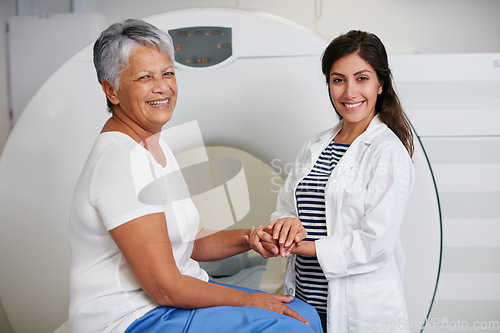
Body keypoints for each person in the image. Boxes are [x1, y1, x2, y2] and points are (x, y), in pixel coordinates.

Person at [68, 19, 322, 333]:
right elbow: (164, 287)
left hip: (168, 305)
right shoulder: (121, 159)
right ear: (111, 90)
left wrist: (251, 238)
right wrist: (251, 302)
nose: (162, 87)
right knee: (290, 327)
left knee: (303, 313)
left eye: (168, 73)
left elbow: (193, 241)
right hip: (134, 319)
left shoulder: (155, 148)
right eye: (145, 77)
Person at [248, 30, 415, 333]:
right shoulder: (317, 145)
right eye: (339, 80)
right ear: (328, 84)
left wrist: (301, 246)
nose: (350, 92)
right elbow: (286, 209)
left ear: (380, 84)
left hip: (358, 313)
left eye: (361, 78)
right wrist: (285, 227)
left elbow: (375, 243)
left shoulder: (387, 151)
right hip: (305, 305)